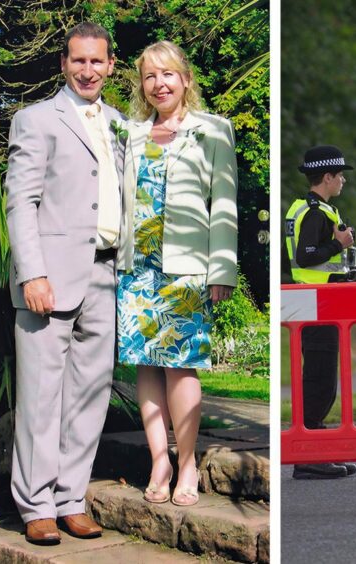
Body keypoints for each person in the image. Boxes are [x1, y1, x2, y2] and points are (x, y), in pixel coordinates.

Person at [5, 22, 120, 545]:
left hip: (106, 274)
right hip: (49, 279)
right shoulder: (35, 120)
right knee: (41, 397)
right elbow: (21, 202)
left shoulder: (119, 123)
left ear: (111, 65)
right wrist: (33, 273)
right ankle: (36, 506)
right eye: (79, 61)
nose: (87, 70)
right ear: (64, 64)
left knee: (89, 397)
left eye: (97, 61)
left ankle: (72, 498)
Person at [117, 41, 238, 507]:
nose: (158, 84)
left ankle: (187, 461)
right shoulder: (131, 134)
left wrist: (221, 267)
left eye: (167, 74)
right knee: (145, 361)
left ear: (186, 78)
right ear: (142, 85)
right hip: (136, 269)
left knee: (180, 365)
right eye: (149, 76)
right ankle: (159, 460)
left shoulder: (212, 131)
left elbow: (224, 204)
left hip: (187, 268)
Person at [285, 145, 356, 480]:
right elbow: (306, 256)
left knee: (319, 377)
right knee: (321, 381)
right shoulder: (316, 213)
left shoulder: (308, 208)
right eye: (340, 175)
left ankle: (316, 446)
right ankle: (309, 454)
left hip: (317, 300)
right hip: (317, 304)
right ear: (326, 177)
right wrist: (339, 244)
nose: (343, 180)